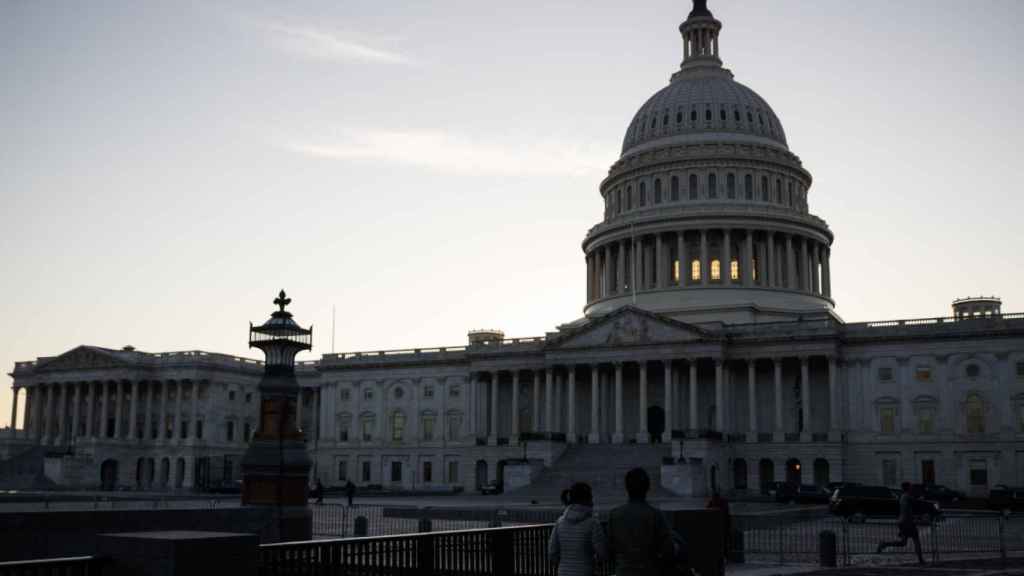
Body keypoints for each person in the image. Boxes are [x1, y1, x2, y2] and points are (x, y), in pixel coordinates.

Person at [606, 468, 674, 576]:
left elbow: (609, 549)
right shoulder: (656, 515)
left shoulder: (614, 515)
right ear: (647, 487)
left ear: (626, 488)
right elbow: (668, 549)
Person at [548, 482, 607, 576]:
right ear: (587, 499)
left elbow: (552, 552)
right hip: (586, 571)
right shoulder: (593, 523)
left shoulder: (560, 522)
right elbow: (602, 553)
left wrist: (564, 565)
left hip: (563, 572)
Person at [876, 481, 925, 564]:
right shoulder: (907, 497)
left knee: (903, 542)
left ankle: (884, 544)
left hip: (902, 522)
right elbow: (915, 503)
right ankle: (921, 559)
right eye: (911, 487)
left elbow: (907, 509)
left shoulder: (903, 496)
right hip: (908, 522)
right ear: (908, 488)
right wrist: (920, 499)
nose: (912, 488)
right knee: (916, 540)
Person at [706, 490, 732, 567]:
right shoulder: (723, 502)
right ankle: (725, 558)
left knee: (720, 544)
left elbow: (707, 511)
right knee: (724, 544)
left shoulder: (712, 503)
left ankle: (721, 557)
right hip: (723, 526)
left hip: (717, 527)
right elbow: (727, 515)